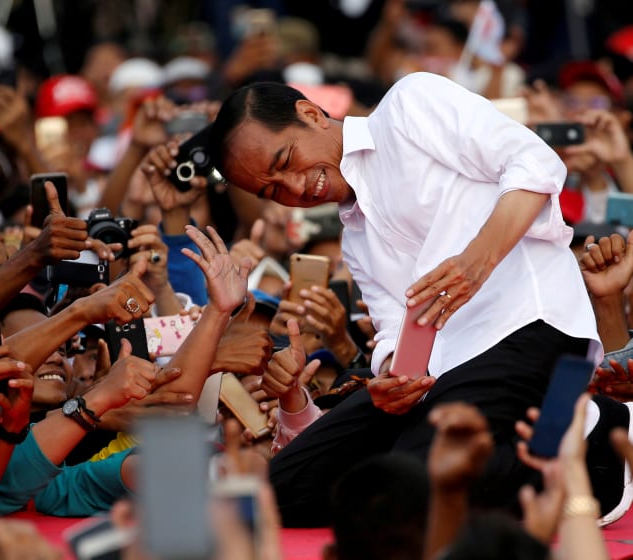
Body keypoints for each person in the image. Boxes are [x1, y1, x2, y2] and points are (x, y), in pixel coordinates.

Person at [206, 74, 603, 526]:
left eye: (287, 160)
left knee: (407, 491)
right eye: (273, 190)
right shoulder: (354, 237)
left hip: (526, 328)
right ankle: (525, 445)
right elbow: (393, 331)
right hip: (440, 378)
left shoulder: (408, 105)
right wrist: (392, 377)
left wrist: (479, 257)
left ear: (311, 114)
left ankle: (593, 447)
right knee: (279, 494)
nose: (295, 188)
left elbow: (534, 160)